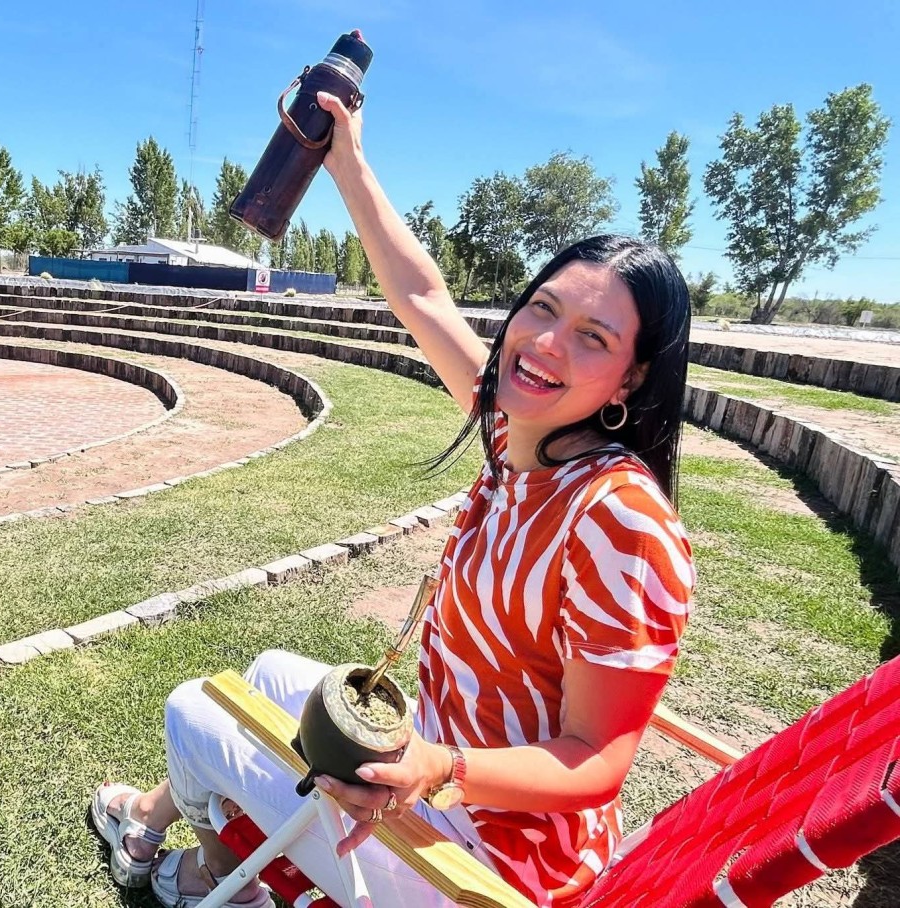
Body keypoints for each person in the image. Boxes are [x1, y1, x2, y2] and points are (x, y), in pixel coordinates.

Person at [90, 90, 695, 908]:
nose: (546, 342)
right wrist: (348, 164)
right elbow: (424, 298)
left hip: (491, 869)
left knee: (191, 709)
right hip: (446, 783)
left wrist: (440, 767)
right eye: (543, 308)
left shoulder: (620, 519)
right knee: (271, 672)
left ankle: (207, 879)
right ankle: (155, 823)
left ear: (633, 378)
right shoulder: (519, 442)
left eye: (593, 337)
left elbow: (596, 760)